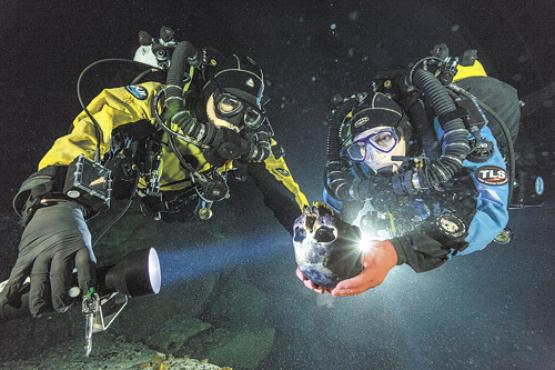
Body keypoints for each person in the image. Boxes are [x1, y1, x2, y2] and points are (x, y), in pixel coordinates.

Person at [1, 33, 308, 317]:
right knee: (97, 201)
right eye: (229, 103)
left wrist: (318, 237)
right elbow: (96, 122)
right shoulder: (158, 101)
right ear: (209, 94)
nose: (235, 121)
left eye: (249, 114)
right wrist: (51, 197)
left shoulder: (248, 143)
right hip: (133, 179)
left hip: (178, 201)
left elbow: (284, 186)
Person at [296, 48, 521, 297]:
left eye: (384, 139)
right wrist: (314, 251)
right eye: (361, 147)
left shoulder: (454, 133)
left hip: (460, 177)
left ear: (404, 132)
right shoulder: (360, 159)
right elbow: (334, 206)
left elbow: (492, 212)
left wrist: (400, 250)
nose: (374, 155)